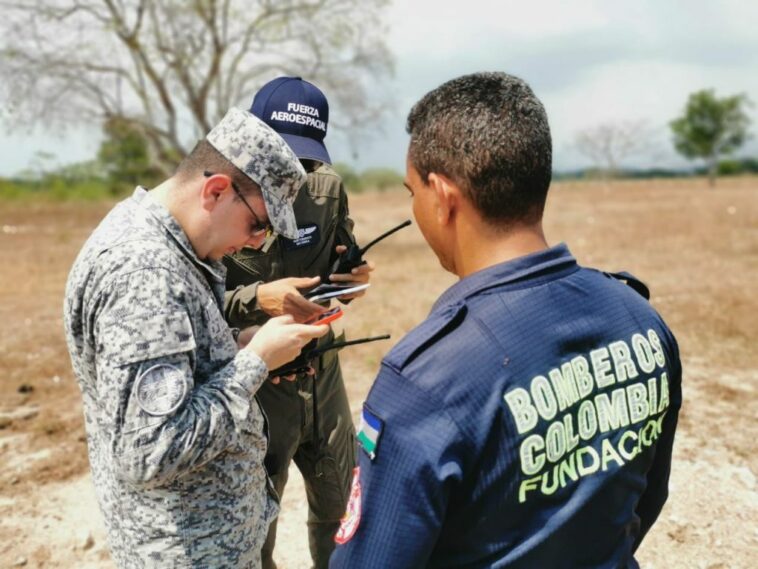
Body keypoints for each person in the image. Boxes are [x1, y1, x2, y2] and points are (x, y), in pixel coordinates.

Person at [329, 72, 682, 568]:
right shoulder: (641, 321)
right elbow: (646, 500)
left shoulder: (425, 382)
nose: (414, 205)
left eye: (412, 191)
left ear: (442, 195)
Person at [63, 107, 330, 568]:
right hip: (190, 552)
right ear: (216, 190)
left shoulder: (164, 245)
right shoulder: (144, 274)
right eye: (258, 225)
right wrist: (256, 363)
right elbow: (152, 451)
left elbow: (178, 364)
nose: (256, 244)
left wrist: (239, 343)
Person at [223, 76, 372, 569]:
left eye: (305, 154)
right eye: (281, 151)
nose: (293, 167)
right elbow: (199, 304)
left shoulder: (327, 186)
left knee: (341, 507)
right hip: (257, 383)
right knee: (253, 522)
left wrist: (350, 278)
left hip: (322, 374)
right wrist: (260, 299)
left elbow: (339, 256)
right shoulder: (222, 196)